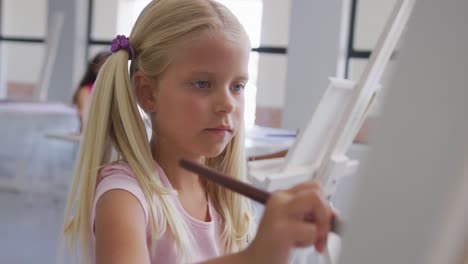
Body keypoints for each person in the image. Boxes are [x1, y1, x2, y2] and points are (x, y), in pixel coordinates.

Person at [62, 0, 334, 263]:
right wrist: (253, 257)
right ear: (148, 93)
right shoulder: (124, 195)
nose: (228, 103)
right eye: (203, 83)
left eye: (237, 86)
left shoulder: (223, 198)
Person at [71, 51, 111, 132]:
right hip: (92, 133)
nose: (109, 69)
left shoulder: (114, 89)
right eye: (104, 65)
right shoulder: (86, 90)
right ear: (95, 68)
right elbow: (84, 116)